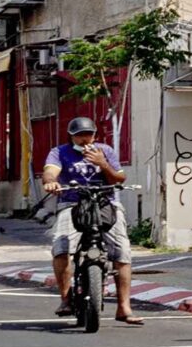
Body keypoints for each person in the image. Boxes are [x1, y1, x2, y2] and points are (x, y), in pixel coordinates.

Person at [42, 117, 139, 325]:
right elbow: (50, 172)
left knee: (122, 251)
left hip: (105, 203)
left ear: (95, 135)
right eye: (79, 135)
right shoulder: (59, 152)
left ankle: (123, 307)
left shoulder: (106, 151)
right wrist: (51, 183)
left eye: (88, 134)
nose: (84, 139)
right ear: (72, 136)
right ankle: (66, 298)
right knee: (61, 246)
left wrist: (102, 164)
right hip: (72, 204)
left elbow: (119, 179)